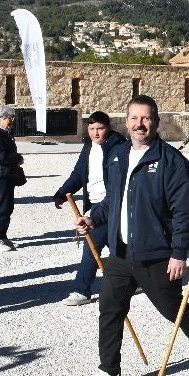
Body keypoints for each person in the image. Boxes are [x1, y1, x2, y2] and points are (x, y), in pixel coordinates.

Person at [70, 95, 189, 376]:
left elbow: (183, 212)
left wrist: (179, 253)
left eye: (146, 118)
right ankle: (109, 370)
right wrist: (93, 219)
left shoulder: (171, 161)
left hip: (155, 254)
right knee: (110, 308)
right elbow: (113, 199)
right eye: (135, 118)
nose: (140, 124)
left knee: (170, 307)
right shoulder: (118, 156)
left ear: (156, 122)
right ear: (126, 122)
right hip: (120, 252)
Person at [54, 111, 126, 305]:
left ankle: (81, 290)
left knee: (91, 245)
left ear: (108, 128)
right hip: (93, 202)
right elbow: (79, 174)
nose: (96, 133)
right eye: (92, 128)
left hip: (110, 204)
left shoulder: (118, 146)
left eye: (100, 128)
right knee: (117, 245)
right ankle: (135, 278)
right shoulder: (88, 146)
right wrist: (62, 192)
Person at [0, 106, 22, 251]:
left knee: (7, 207)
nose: (12, 120)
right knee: (1, 207)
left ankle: (2, 236)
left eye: (13, 117)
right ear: (0, 119)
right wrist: (17, 157)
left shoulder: (5, 133)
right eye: (9, 117)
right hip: (1, 175)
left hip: (8, 175)